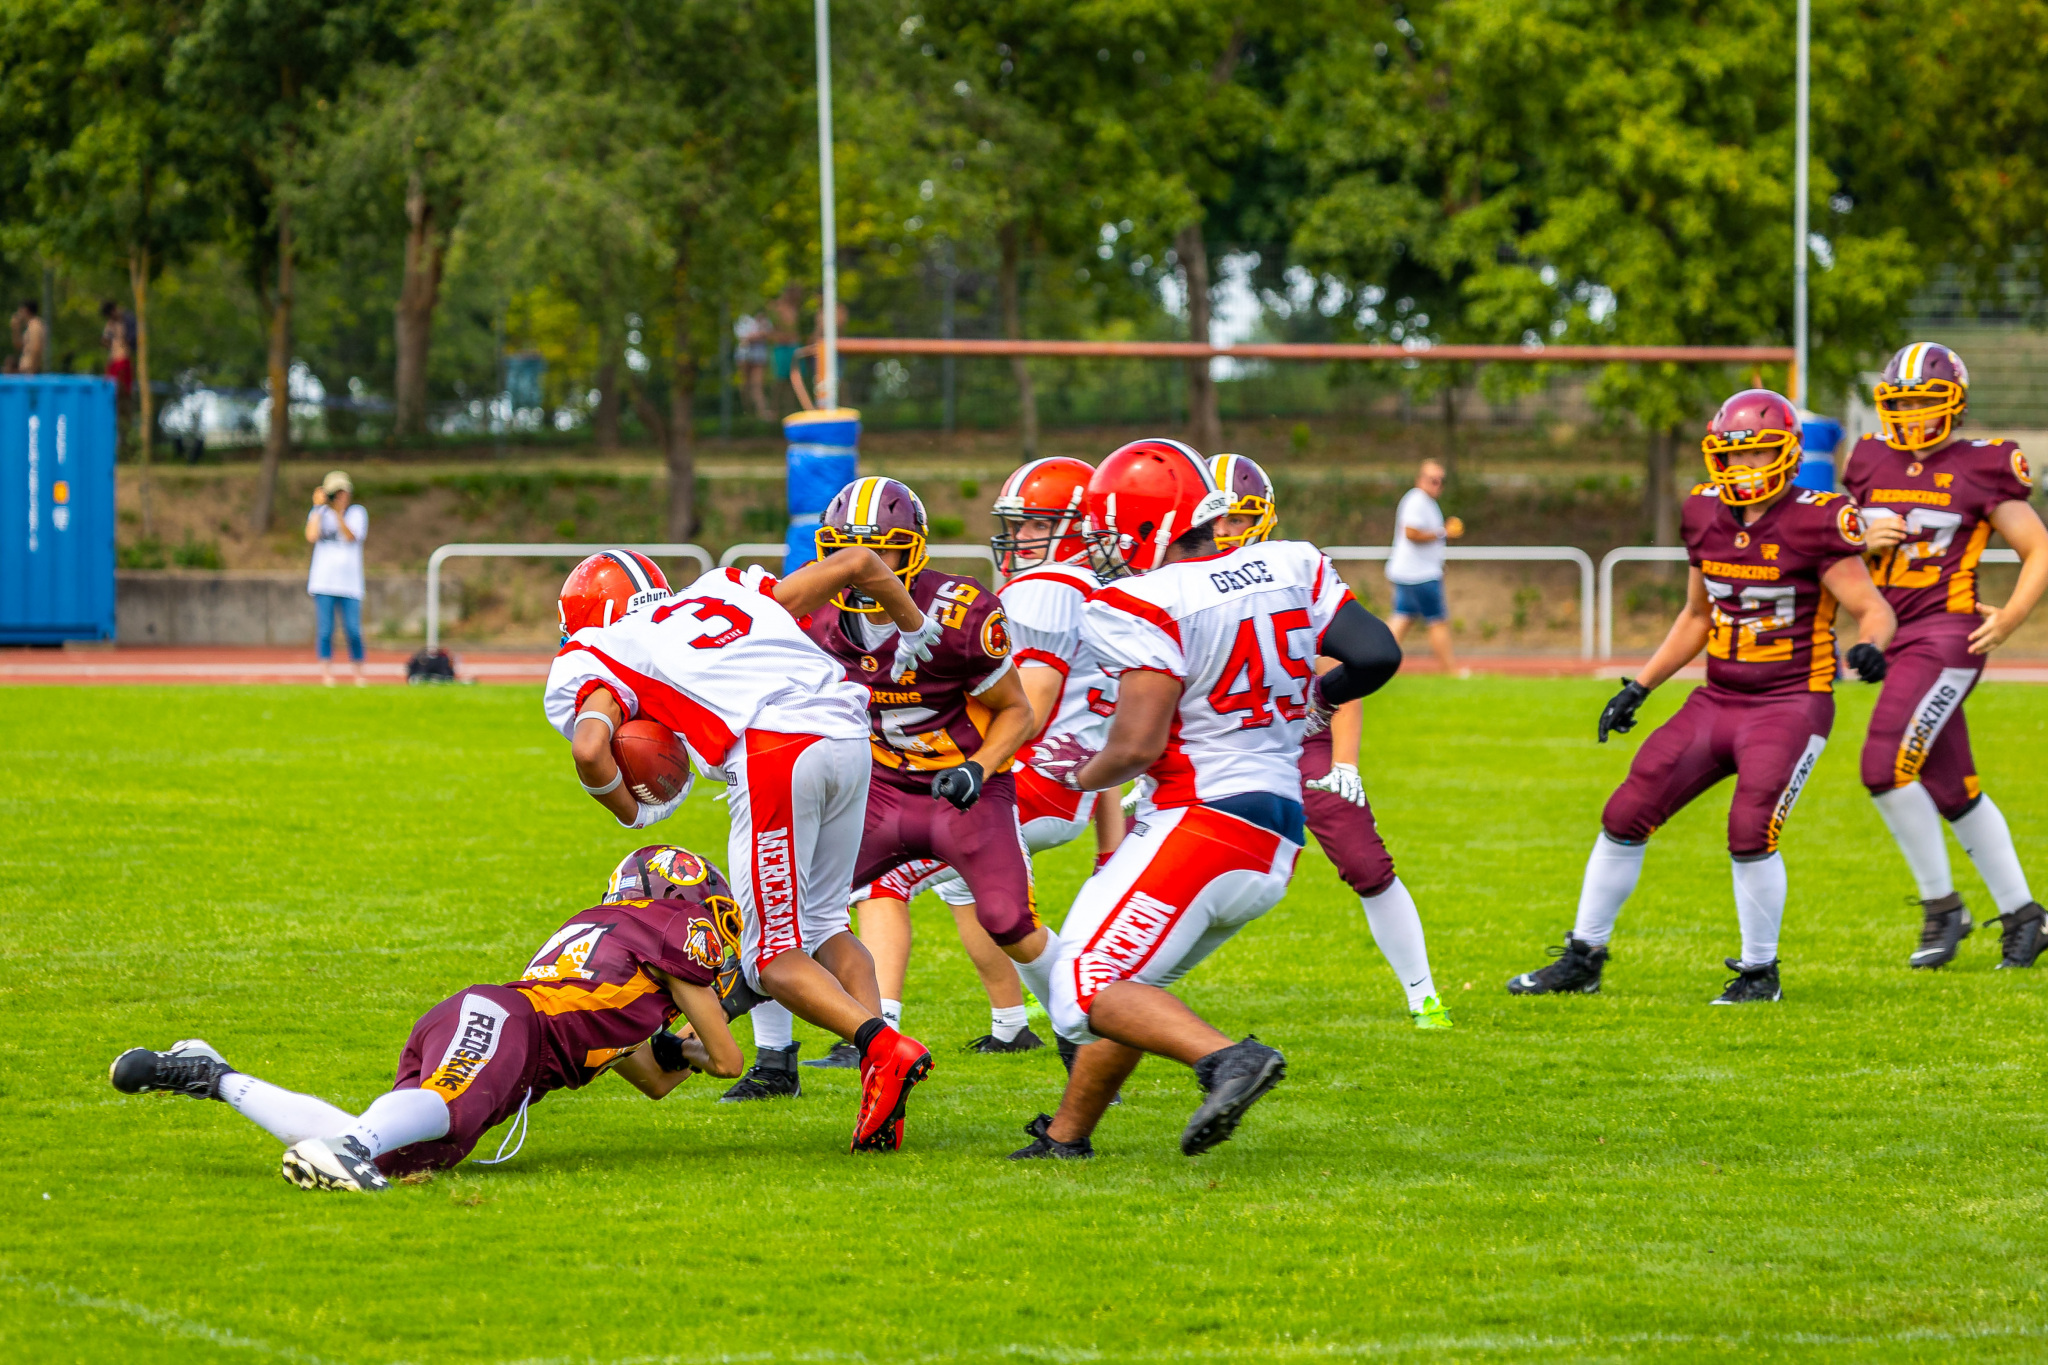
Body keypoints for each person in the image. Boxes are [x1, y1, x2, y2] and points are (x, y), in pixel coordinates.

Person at [1010, 439, 1402, 1160]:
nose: (1101, 549)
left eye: (1107, 533)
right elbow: (1378, 654)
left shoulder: (1141, 601)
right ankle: (1066, 1137)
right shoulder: (1291, 563)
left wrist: (1076, 775)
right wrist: (1317, 699)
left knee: (1083, 989)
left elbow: (1136, 744)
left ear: (1148, 527)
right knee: (1129, 984)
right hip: (1275, 829)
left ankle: (1229, 1060)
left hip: (1201, 820)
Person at [1507, 389, 1896, 1003]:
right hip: (1718, 698)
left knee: (1751, 827)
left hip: (1791, 701)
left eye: (1757, 453)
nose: (1743, 467)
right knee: (1625, 813)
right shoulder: (1703, 511)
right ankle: (1584, 958)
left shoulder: (1818, 517)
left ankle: (1759, 974)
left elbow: (1873, 608)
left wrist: (1870, 645)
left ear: (1788, 454)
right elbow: (1697, 615)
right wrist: (1640, 686)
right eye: (1733, 455)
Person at [547, 547, 938, 1151]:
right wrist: (914, 627)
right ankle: (881, 1084)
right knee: (827, 925)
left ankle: (884, 1047)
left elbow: (590, 749)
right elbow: (859, 562)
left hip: (776, 752)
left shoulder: (605, 646)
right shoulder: (725, 587)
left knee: (770, 960)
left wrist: (637, 811)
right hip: (850, 737)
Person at [106, 843, 747, 1192]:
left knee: (399, 1157)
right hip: (512, 1025)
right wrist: (734, 1004)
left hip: (496, 1027)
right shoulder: (670, 932)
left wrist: (676, 1046)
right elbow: (727, 1061)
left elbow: (651, 1075)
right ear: (681, 899)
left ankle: (212, 1076)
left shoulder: (618, 956)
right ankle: (351, 1149)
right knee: (415, 1123)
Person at [754, 476, 1050, 1077]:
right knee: (778, 911)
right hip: (881, 791)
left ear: (913, 551)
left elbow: (1017, 710)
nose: (860, 567)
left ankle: (1087, 1036)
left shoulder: (961, 614)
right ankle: (774, 1062)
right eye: (844, 550)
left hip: (960, 790)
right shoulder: (815, 614)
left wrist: (978, 768)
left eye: (882, 551)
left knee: (1009, 921)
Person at [834, 458, 1129, 1061]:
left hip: (1014, 775)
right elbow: (1097, 732)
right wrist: (1108, 843)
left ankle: (875, 1031)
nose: (1019, 538)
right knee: (982, 902)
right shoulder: (1101, 593)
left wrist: (973, 761)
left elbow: (1029, 705)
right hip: (1063, 779)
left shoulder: (1046, 588)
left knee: (886, 886)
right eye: (1016, 525)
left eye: (1036, 524)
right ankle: (1013, 1024)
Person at [1211, 453, 1450, 1028]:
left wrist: (1345, 762)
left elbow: (1345, 671)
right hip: (1218, 743)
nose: (1224, 532)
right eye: (1215, 519)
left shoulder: (1289, 572)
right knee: (1182, 868)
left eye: (1236, 519)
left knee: (1366, 861)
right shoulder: (1176, 581)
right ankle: (1110, 989)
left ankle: (1423, 995)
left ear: (1262, 518)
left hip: (1301, 735)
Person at [1843, 342, 2048, 969]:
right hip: (1895, 635)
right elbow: (1842, 550)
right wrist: (1861, 538)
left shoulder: (1983, 464)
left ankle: (1942, 907)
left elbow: (2039, 547)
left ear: (1953, 403)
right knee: (1952, 786)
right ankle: (2026, 917)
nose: (1911, 415)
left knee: (1883, 767)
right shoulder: (1869, 458)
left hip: (1947, 634)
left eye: (1924, 401)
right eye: (1901, 403)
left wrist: (2012, 616)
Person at [1385, 459, 1464, 674]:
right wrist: (1443, 532)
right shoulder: (1417, 501)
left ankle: (1373, 661)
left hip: (1411, 572)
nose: (1437, 484)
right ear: (1420, 480)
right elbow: (1411, 532)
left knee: (1402, 618)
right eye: (1432, 479)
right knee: (1437, 621)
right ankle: (1450, 671)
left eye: (1440, 480)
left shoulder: (1425, 501)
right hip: (1419, 575)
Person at [306, 471, 368, 686]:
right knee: (325, 630)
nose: (340, 497)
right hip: (324, 582)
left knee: (354, 630)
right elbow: (311, 535)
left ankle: (358, 673)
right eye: (336, 493)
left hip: (350, 584)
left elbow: (351, 536)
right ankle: (326, 674)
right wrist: (317, 508)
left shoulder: (357, 513)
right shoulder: (320, 513)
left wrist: (339, 513)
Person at [735, 312, 773, 419]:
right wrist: (757, 336)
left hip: (759, 355)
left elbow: (767, 334)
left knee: (757, 385)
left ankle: (761, 412)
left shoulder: (764, 318)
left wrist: (753, 337)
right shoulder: (742, 317)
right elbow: (743, 337)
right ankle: (746, 411)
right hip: (743, 355)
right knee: (744, 384)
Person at [102, 300, 134, 397]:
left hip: (123, 357)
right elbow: (105, 340)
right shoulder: (111, 324)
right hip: (114, 358)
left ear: (113, 310)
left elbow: (132, 338)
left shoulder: (128, 319)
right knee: (110, 388)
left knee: (123, 389)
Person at [9, 300, 46, 374]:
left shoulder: (35, 325)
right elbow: (19, 346)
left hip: (30, 371)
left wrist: (32, 369)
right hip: (26, 371)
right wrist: (15, 329)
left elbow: (36, 348)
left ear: (26, 310)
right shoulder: (29, 327)